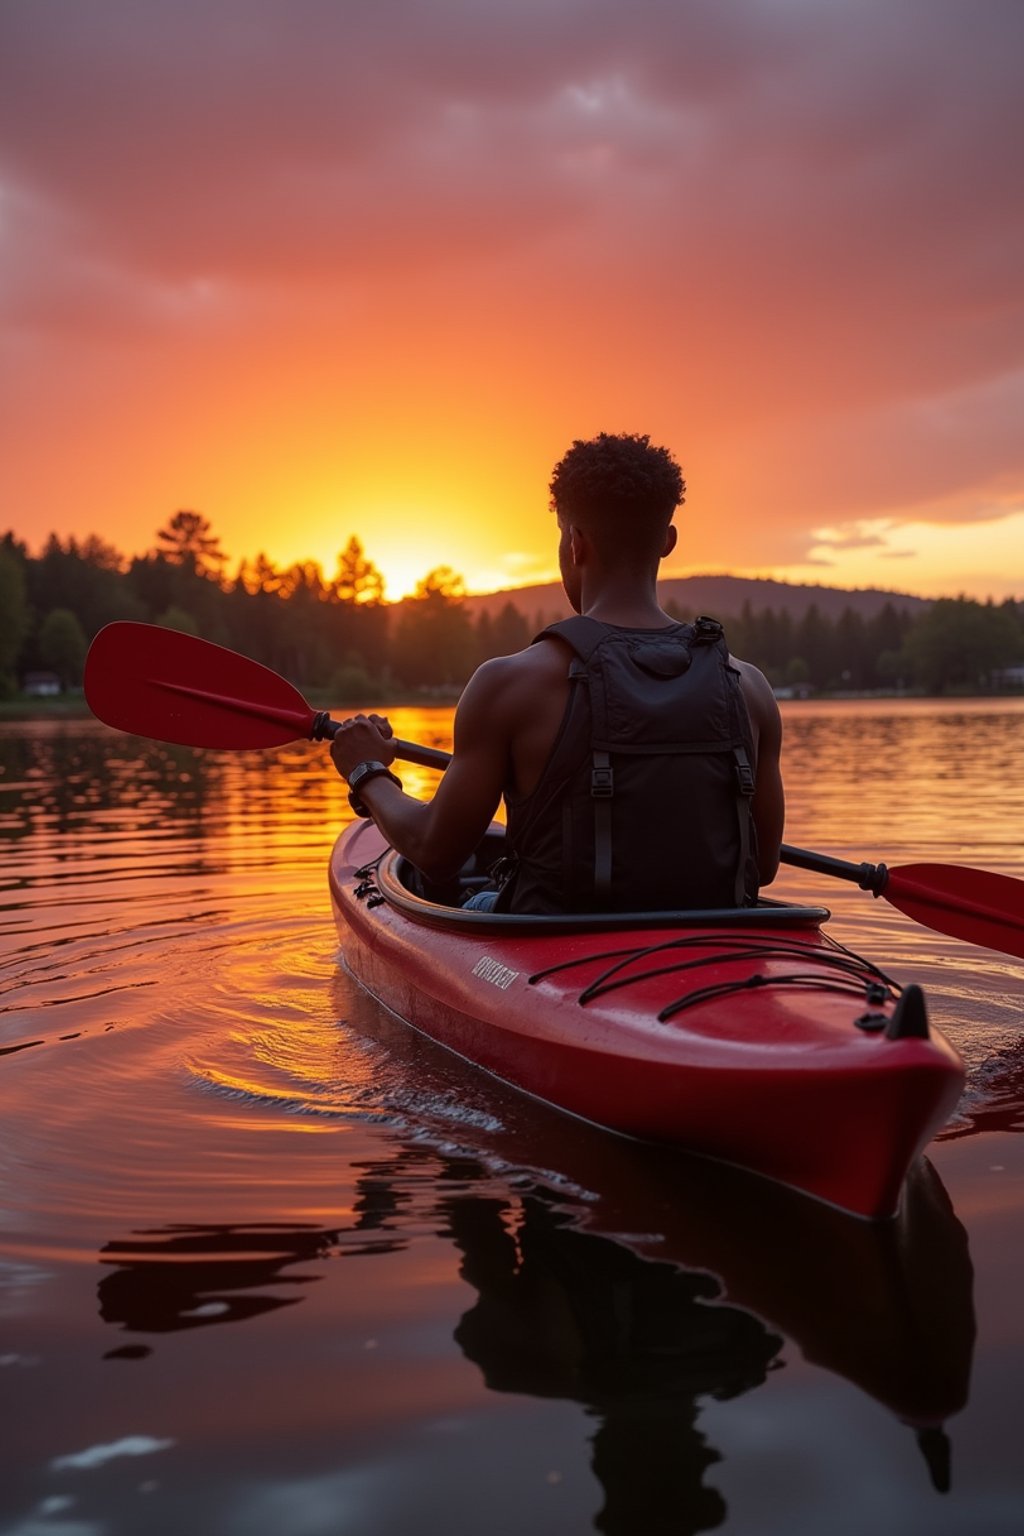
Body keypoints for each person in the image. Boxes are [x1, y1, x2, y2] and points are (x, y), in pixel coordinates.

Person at [330, 432, 783, 913]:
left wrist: (367, 771)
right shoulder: (748, 687)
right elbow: (766, 864)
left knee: (472, 895)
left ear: (575, 542)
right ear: (668, 541)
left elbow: (436, 853)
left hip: (552, 941)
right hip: (712, 941)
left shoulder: (510, 685)